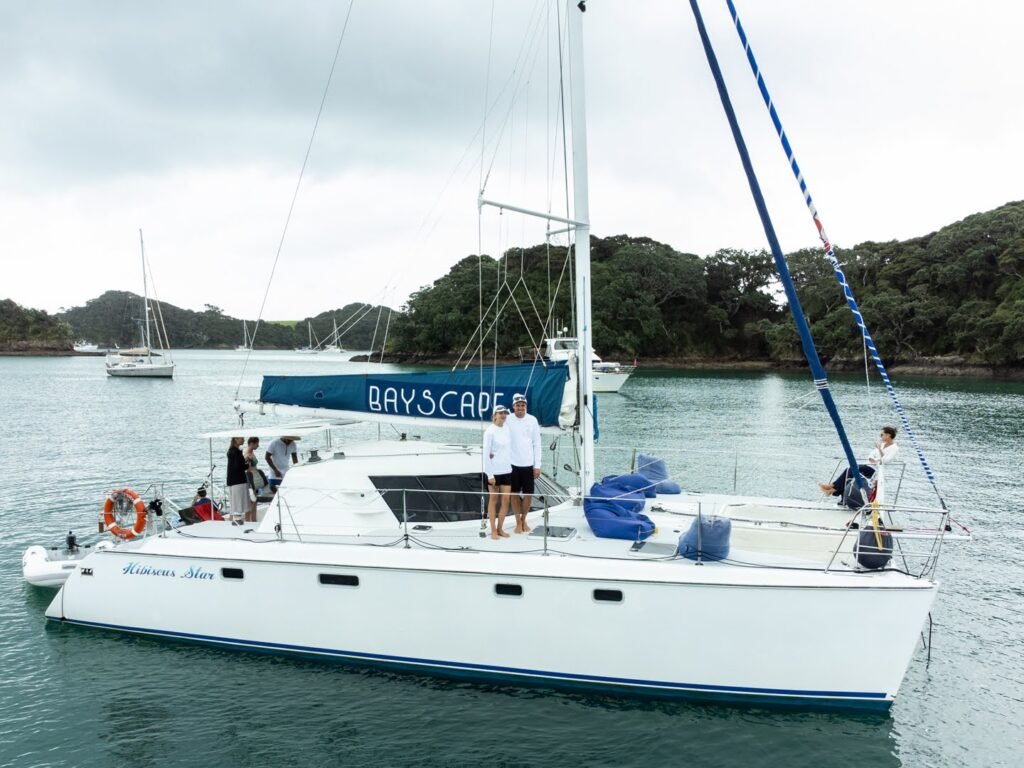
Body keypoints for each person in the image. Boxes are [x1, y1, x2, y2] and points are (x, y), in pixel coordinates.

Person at [818, 426, 899, 501]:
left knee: (852, 469)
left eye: (882, 434)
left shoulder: (894, 448)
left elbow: (885, 461)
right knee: (849, 469)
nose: (880, 436)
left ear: (888, 435)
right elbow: (871, 455)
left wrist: (879, 452)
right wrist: (873, 458)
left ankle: (831, 488)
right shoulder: (882, 444)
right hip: (868, 465)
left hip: (876, 470)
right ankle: (832, 489)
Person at [506, 392, 542, 534]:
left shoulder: (532, 420)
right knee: (514, 494)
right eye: (518, 405)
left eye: (522, 405)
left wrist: (537, 465)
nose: (520, 407)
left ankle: (524, 519)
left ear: (525, 406)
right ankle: (517, 521)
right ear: (513, 406)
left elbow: (537, 443)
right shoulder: (507, 419)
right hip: (512, 464)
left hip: (528, 464)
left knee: (528, 494)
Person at [483, 404, 513, 540]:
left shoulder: (507, 428)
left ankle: (500, 528)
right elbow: (485, 454)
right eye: (500, 413)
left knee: (506, 500)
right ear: (494, 415)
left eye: (505, 413)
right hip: (494, 472)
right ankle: (493, 530)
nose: (503, 415)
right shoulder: (489, 431)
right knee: (493, 500)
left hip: (507, 470)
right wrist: (490, 475)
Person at [226, 436, 248, 522]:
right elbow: (238, 466)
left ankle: (235, 519)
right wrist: (246, 465)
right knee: (238, 502)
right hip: (238, 480)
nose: (243, 440)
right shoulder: (236, 452)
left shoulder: (232, 451)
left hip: (233, 480)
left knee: (235, 502)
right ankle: (237, 520)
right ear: (236, 439)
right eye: (241, 438)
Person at [243, 436, 260, 521]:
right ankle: (249, 520)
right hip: (250, 479)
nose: (258, 446)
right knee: (251, 501)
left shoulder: (251, 452)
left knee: (254, 501)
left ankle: (253, 519)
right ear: (252, 444)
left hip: (254, 478)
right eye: (257, 444)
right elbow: (247, 468)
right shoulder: (247, 454)